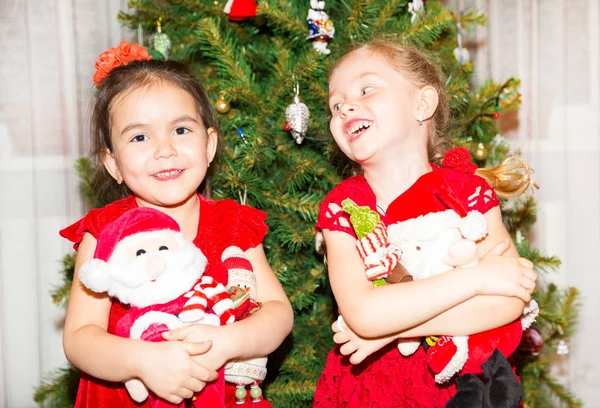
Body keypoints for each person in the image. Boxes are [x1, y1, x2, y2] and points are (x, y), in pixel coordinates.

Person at [60, 40, 293, 407]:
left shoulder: (233, 224)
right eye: (140, 137)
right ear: (113, 164)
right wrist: (142, 361)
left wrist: (228, 342)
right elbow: (79, 337)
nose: (164, 149)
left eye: (181, 130)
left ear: (209, 144)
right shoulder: (105, 232)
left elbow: (277, 312)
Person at [312, 38, 538, 407]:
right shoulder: (344, 207)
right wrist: (476, 279)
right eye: (335, 105)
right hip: (375, 390)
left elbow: (509, 300)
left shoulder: (467, 192)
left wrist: (391, 333)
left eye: (366, 89)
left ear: (422, 103)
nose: (345, 107)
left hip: (471, 385)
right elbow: (366, 315)